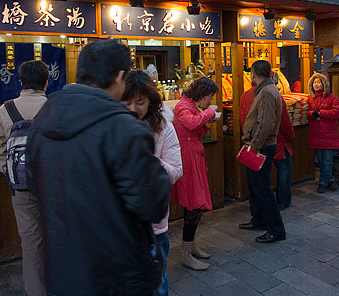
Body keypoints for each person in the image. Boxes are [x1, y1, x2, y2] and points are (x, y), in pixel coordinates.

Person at [26, 39, 171, 295]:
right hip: (117, 272)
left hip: (62, 269)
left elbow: (37, 188)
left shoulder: (41, 121)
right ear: (119, 77)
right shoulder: (124, 128)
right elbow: (152, 203)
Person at [0, 60, 49, 296]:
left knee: (31, 242)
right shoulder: (54, 106)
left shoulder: (6, 109)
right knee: (58, 235)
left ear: (22, 81)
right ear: (46, 81)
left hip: (21, 189)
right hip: (53, 187)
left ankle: (36, 292)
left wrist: (11, 171)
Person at [122, 70, 183, 296]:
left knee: (156, 285)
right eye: (127, 101)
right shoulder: (111, 127)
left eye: (140, 102)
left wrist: (148, 160)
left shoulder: (164, 127)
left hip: (153, 226)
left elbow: (176, 171)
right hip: (120, 226)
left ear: (151, 100)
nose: (133, 108)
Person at [172, 77, 219, 271]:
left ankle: (190, 246)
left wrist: (208, 119)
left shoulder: (188, 104)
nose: (209, 101)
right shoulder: (183, 106)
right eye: (209, 98)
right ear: (202, 94)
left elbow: (194, 129)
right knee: (193, 203)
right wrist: (209, 113)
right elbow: (191, 124)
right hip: (187, 159)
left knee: (194, 205)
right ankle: (186, 253)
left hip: (192, 157)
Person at [240, 60, 286, 243]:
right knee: (255, 184)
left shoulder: (267, 92)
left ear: (252, 74)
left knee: (263, 188)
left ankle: (275, 229)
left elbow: (265, 123)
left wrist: (254, 146)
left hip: (262, 146)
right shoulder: (267, 89)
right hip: (260, 144)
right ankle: (258, 219)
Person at [240, 79, 294, 210]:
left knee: (258, 179)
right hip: (275, 140)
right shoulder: (272, 93)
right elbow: (283, 119)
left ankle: (259, 210)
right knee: (283, 168)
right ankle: (281, 200)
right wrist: (291, 136)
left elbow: (243, 119)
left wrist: (248, 137)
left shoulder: (245, 95)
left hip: (254, 141)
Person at [307, 72, 339, 193]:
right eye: (314, 82)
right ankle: (330, 180)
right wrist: (312, 114)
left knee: (327, 160)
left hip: (328, 134)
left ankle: (323, 182)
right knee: (320, 160)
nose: (316, 84)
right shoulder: (311, 98)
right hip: (316, 134)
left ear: (324, 84)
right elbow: (307, 113)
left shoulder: (333, 98)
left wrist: (320, 113)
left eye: (319, 82)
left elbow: (336, 113)